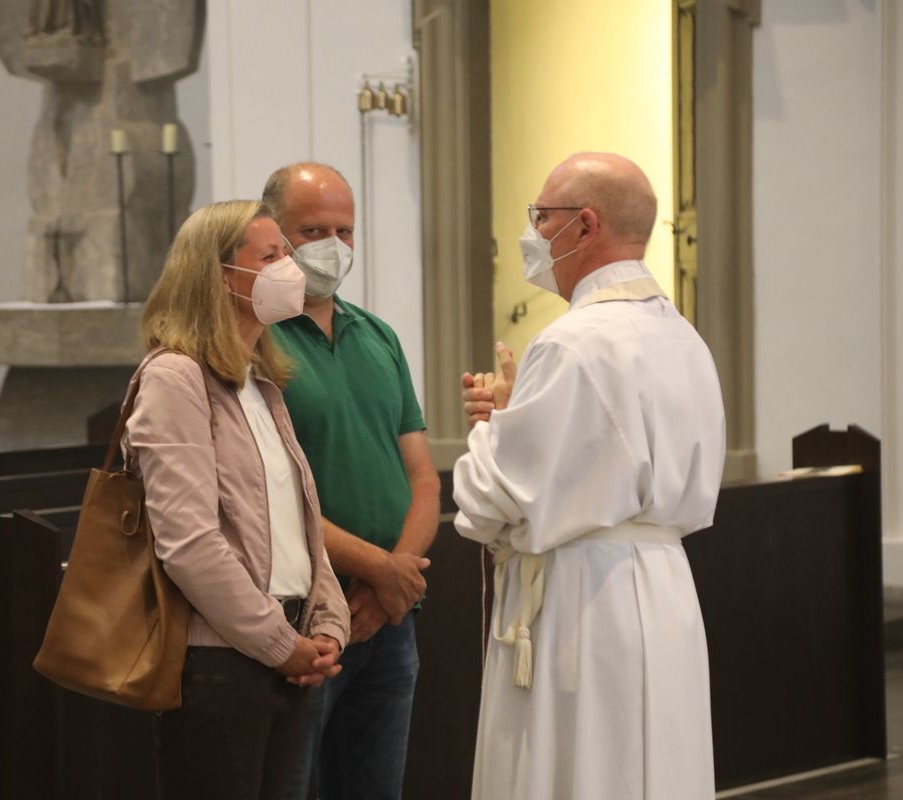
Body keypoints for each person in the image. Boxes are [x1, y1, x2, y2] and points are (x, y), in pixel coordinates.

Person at [454, 152, 726, 799]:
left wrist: (493, 426)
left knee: (584, 771)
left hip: (583, 600)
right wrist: (520, 416)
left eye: (540, 217)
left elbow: (489, 501)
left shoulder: (572, 341)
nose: (532, 233)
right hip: (663, 589)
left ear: (584, 225)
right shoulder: (683, 336)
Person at [124, 199, 351, 800]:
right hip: (220, 662)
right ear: (222, 276)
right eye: (271, 256)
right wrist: (280, 645)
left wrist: (328, 623)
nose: (291, 269)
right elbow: (189, 544)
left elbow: (300, 522)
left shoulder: (259, 381)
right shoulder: (176, 377)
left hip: (284, 651)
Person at [263, 163, 441, 800]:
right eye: (313, 230)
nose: (332, 246)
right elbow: (269, 498)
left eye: (345, 231)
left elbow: (422, 478)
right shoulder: (254, 341)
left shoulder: (378, 335)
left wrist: (393, 582)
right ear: (274, 234)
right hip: (301, 618)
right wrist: (380, 573)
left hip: (388, 619)